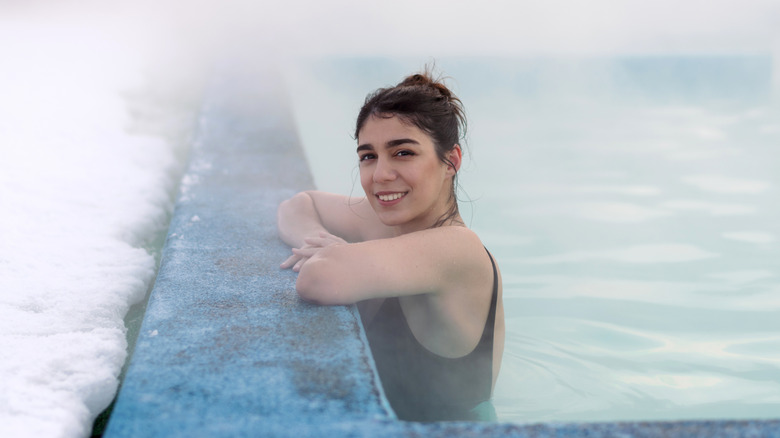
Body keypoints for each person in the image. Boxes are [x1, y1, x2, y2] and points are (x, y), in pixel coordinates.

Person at [276, 69, 504, 422]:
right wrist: (323, 242)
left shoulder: (459, 250)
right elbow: (298, 206)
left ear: (451, 161)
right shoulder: (389, 225)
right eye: (368, 156)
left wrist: (339, 257)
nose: (380, 174)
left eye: (402, 153)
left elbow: (317, 279)